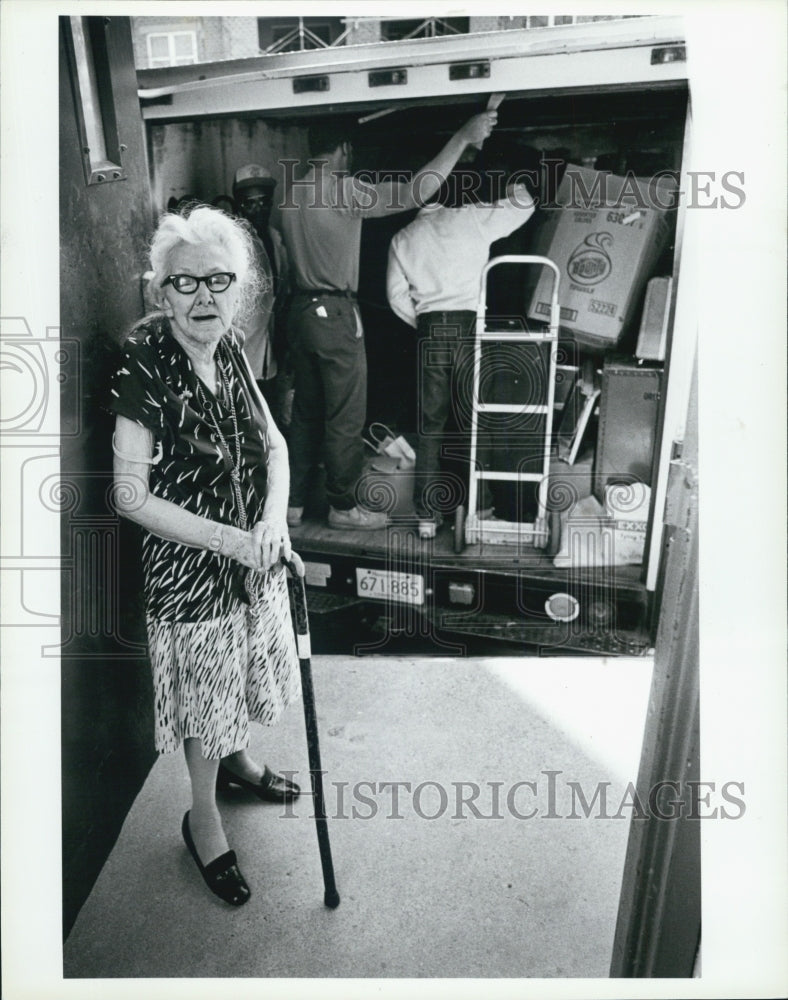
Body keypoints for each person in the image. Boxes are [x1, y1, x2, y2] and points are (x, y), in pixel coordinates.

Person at [110, 205, 301, 907]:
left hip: (253, 555)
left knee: (242, 673)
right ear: (160, 292)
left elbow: (274, 445)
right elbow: (130, 496)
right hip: (193, 574)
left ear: (239, 289)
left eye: (219, 281)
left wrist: (274, 523)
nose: (203, 298)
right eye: (184, 283)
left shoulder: (228, 346)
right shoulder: (145, 364)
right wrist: (233, 540)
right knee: (204, 699)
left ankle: (238, 763)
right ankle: (203, 818)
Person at [278, 110, 498, 531]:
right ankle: (344, 507)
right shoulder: (343, 190)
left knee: (306, 412)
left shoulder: (288, 192)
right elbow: (420, 190)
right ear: (344, 150)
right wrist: (462, 137)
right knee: (345, 414)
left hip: (300, 312)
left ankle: (293, 504)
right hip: (335, 312)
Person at [386, 174, 536, 537]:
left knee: (430, 425)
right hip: (469, 327)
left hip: (430, 328)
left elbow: (394, 296)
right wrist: (511, 189)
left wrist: (423, 321)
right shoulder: (470, 217)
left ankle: (426, 517)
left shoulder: (403, 237)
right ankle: (479, 507)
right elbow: (525, 204)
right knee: (473, 420)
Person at [232, 164, 292, 431]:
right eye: (249, 203)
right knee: (247, 420)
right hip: (245, 345)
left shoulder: (275, 237)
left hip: (272, 345)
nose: (258, 209)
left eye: (263, 202)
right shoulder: (234, 243)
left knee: (273, 418)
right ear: (239, 205)